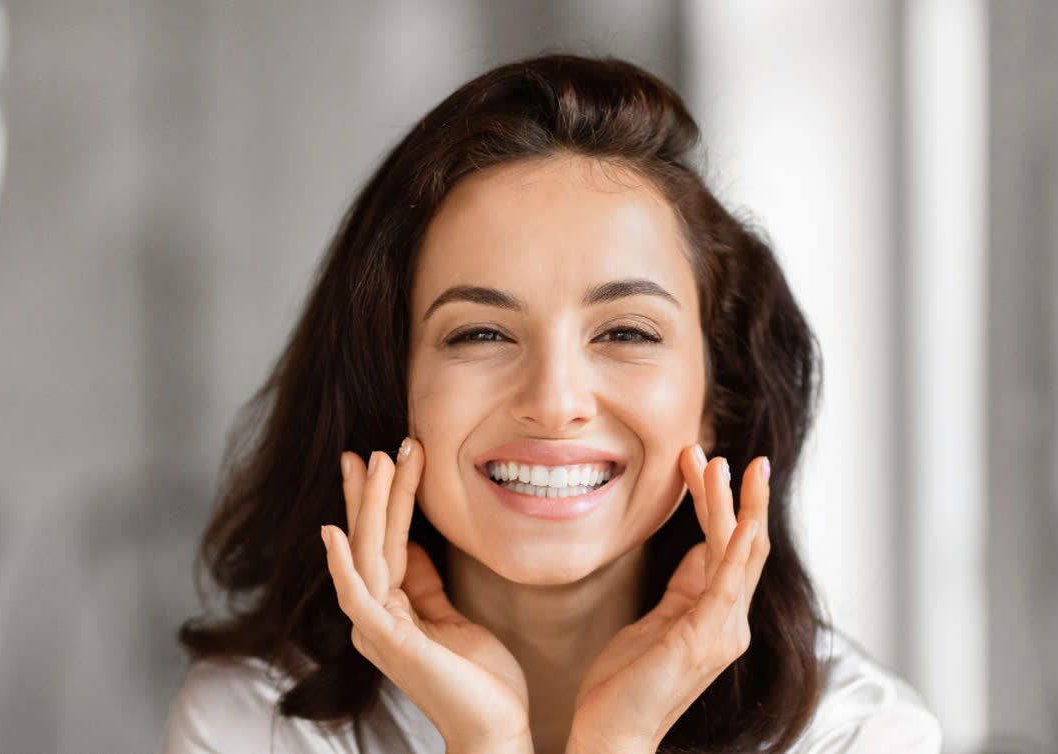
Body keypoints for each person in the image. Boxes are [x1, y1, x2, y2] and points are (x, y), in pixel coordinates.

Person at [159, 53, 940, 754]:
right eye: (481, 334)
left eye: (628, 331)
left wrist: (616, 741)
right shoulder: (254, 728)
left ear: (718, 399)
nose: (555, 401)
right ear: (388, 389)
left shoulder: (858, 734)